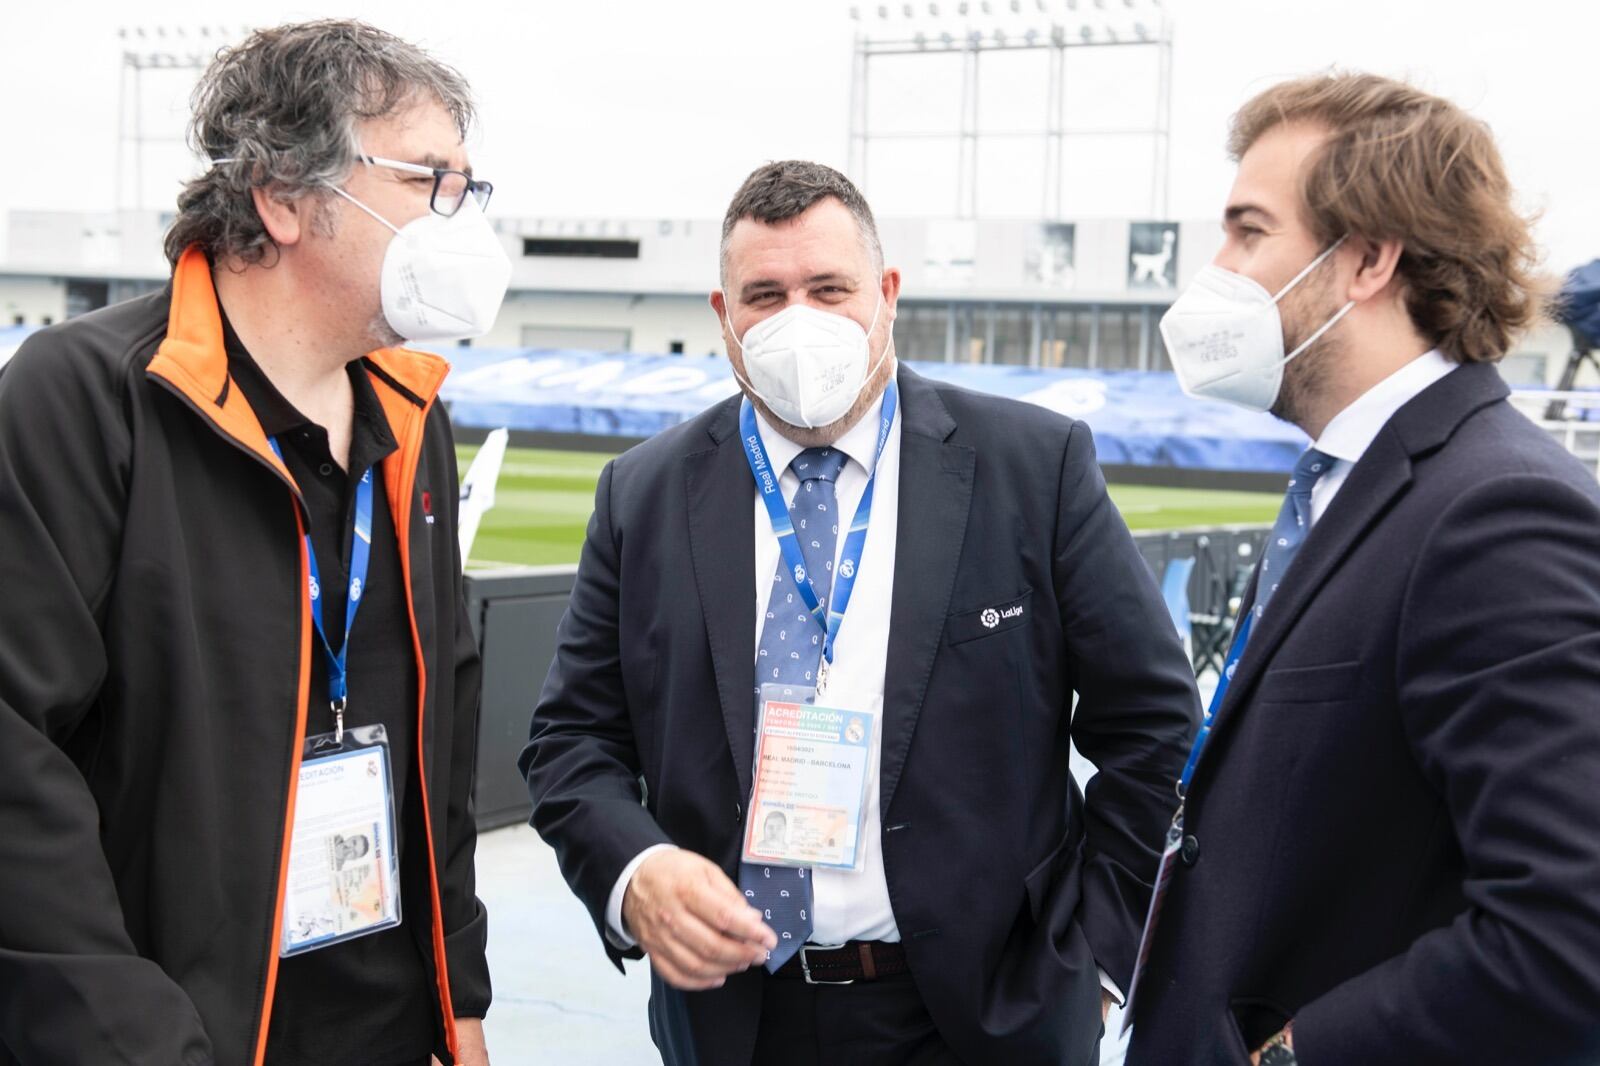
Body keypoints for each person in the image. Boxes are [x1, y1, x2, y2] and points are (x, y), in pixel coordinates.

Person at [522, 160, 1198, 1066]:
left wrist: (1099, 956)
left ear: (885, 294)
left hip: (985, 1017)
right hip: (734, 1020)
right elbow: (571, 740)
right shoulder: (641, 494)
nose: (797, 319)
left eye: (828, 288)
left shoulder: (1032, 467)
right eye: (764, 294)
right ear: (724, 319)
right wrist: (635, 872)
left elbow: (1153, 724)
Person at [0, 20, 508, 1066]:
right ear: (283, 197)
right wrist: (134, 1041)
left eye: (468, 188)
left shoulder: (413, 413)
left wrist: (460, 986)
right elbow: (14, 759)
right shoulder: (85, 396)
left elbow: (440, 732)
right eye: (429, 180)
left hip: (386, 1027)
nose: (459, 221)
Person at [1125, 73, 1600, 1066]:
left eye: (1248, 232)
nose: (1217, 269)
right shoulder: (1347, 478)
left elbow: (1567, 928)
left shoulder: (1493, 511)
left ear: (1368, 261)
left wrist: (1291, 1056)